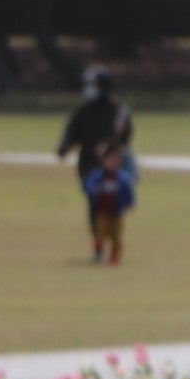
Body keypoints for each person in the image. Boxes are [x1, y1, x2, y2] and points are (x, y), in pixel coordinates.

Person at [57, 66, 134, 260]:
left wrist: (118, 143)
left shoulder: (117, 109)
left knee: (112, 206)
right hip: (88, 165)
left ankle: (112, 242)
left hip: (112, 165)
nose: (88, 88)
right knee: (94, 204)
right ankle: (98, 247)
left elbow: (126, 136)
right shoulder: (84, 109)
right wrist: (65, 147)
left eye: (92, 85)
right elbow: (72, 131)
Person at [82, 143, 137, 266]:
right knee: (101, 232)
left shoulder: (122, 178)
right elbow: (87, 184)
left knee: (116, 237)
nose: (113, 163)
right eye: (110, 160)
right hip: (103, 211)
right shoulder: (99, 176)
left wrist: (130, 203)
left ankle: (114, 259)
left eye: (116, 160)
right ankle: (98, 246)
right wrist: (92, 191)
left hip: (117, 213)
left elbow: (128, 191)